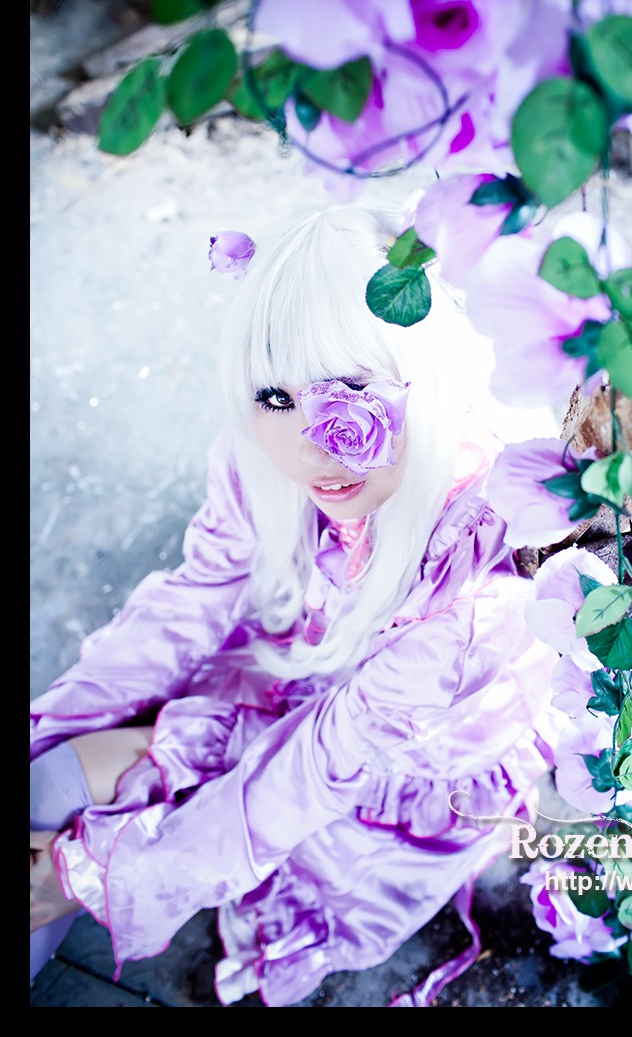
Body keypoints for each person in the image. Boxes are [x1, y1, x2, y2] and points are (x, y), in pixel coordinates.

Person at [30, 199, 567, 1008]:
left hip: (382, 781)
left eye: (350, 388)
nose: (311, 443)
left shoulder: (472, 593)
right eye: (275, 396)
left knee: (67, 846)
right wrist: (55, 724)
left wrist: (78, 878)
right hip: (306, 671)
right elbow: (193, 596)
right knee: (44, 782)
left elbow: (314, 775)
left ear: (425, 372)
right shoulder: (263, 456)